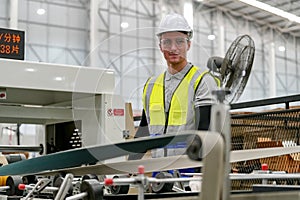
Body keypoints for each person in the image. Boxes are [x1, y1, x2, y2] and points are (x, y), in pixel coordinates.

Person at [130, 13, 219, 173]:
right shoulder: (151, 85)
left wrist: (199, 174)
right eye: (167, 42)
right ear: (160, 46)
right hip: (159, 171)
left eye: (179, 41)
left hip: (189, 168)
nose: (173, 48)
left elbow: (204, 130)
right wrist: (128, 167)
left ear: (188, 45)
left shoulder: (202, 80)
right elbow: (144, 130)